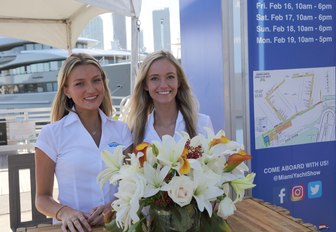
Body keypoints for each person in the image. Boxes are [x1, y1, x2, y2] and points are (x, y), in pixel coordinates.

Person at [35, 53, 133, 232]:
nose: (91, 89)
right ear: (66, 90)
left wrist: (113, 206)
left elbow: (132, 185)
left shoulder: (122, 131)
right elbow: (42, 198)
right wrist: (65, 213)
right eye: (80, 83)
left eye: (96, 80)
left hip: (116, 226)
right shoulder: (51, 134)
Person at [124, 50, 213, 146]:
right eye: (154, 78)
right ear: (145, 85)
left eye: (170, 77)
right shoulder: (136, 132)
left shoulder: (202, 124)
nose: (163, 85)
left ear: (179, 81)